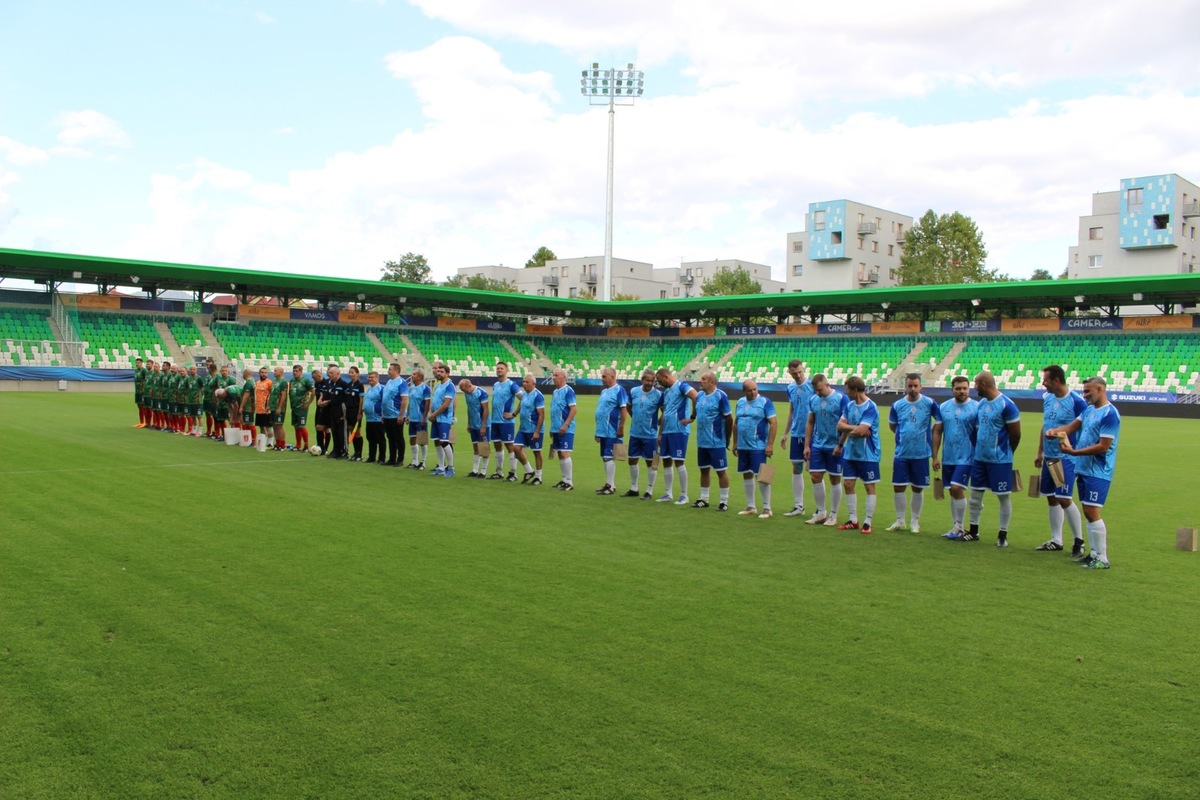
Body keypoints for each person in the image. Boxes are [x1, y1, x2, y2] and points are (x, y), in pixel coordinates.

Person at [1049, 376, 1120, 569]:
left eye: (1088, 391)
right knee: (1088, 511)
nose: (1085, 394)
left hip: (1099, 469)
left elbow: (1103, 446)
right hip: (1084, 468)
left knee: (1092, 510)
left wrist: (1074, 452)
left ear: (1100, 389)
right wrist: (1054, 431)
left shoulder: (1110, 414)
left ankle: (1103, 558)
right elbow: (1071, 428)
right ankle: (1094, 554)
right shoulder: (1089, 410)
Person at [961, 371, 1021, 546]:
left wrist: (1007, 452)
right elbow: (977, 430)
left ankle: (1003, 533)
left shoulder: (1007, 405)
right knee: (975, 496)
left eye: (975, 384)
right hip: (980, 459)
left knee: (1003, 496)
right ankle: (973, 531)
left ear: (983, 385)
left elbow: (1016, 433)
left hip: (1000, 460)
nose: (974, 387)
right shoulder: (981, 405)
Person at [1033, 365, 1089, 555]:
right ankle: (1056, 540)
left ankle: (1079, 541)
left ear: (1056, 380)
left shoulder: (1076, 402)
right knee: (1051, 497)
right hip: (1049, 457)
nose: (1043, 384)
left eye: (1046, 380)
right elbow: (1046, 424)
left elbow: (1083, 428)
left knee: (1064, 498)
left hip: (1065, 457)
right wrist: (1039, 451)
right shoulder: (1047, 398)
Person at [886, 373, 942, 533]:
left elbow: (938, 424)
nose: (912, 389)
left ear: (920, 386)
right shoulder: (897, 405)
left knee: (917, 488)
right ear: (905, 386)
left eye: (915, 386)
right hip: (901, 453)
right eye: (910, 386)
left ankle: (915, 522)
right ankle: (900, 520)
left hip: (922, 454)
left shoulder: (929, 403)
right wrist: (904, 436)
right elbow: (893, 425)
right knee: (898, 487)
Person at [931, 376, 979, 539]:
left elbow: (980, 433)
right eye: (958, 388)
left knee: (957, 488)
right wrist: (935, 456)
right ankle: (955, 526)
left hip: (967, 456)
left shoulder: (976, 407)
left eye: (965, 388)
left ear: (969, 389)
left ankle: (960, 527)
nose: (962, 391)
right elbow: (937, 431)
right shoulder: (944, 407)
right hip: (948, 457)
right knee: (952, 490)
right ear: (952, 389)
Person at [836, 376, 881, 534]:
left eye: (847, 389)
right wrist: (842, 442)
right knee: (848, 484)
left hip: (868, 454)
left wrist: (851, 428)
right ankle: (853, 519)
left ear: (855, 390)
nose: (846, 392)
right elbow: (841, 427)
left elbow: (861, 431)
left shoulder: (871, 407)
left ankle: (868, 521)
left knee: (869, 486)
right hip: (850, 452)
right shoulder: (849, 405)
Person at [804, 374, 848, 527]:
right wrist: (807, 445)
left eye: (820, 389)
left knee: (834, 479)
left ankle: (833, 515)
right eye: (816, 390)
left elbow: (846, 423)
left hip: (834, 445)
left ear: (827, 384)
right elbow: (810, 422)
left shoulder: (841, 399)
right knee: (815, 476)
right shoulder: (813, 400)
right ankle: (821, 512)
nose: (818, 393)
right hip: (817, 444)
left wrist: (840, 444)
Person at [732, 379, 777, 519]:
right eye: (750, 390)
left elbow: (774, 423)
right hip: (743, 445)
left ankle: (767, 508)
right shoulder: (740, 402)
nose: (753, 392)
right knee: (746, 474)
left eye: (755, 389)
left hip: (758, 446)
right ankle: (751, 506)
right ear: (744, 391)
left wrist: (770, 444)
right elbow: (736, 423)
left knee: (762, 476)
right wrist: (735, 443)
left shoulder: (765, 402)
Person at [655, 366, 698, 505]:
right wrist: (660, 433)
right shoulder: (666, 392)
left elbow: (695, 396)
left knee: (679, 461)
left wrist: (692, 417)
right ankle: (668, 493)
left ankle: (684, 495)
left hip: (679, 430)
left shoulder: (682, 386)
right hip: (667, 431)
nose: (659, 384)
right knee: (666, 461)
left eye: (660, 380)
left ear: (666, 376)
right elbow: (665, 413)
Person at [692, 370, 732, 510]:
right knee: (704, 470)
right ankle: (704, 499)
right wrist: (691, 417)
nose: (700, 381)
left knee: (721, 471)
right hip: (702, 441)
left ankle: (724, 501)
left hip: (716, 442)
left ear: (712, 382)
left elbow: (729, 418)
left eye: (703, 379)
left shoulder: (720, 396)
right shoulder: (700, 395)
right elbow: (697, 411)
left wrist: (727, 439)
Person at [782, 359, 814, 517]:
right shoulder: (790, 388)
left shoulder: (812, 385)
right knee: (796, 468)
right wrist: (785, 433)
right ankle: (799, 506)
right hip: (796, 434)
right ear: (789, 373)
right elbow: (791, 411)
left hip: (813, 435)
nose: (798, 375)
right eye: (794, 373)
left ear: (803, 369)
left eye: (800, 372)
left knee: (814, 471)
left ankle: (819, 509)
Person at [626, 369, 663, 498]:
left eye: (652, 381)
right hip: (635, 433)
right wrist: (635, 418)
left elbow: (664, 412)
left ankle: (649, 490)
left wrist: (658, 428)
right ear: (642, 380)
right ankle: (634, 488)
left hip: (650, 435)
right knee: (632, 460)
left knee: (651, 463)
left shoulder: (658, 394)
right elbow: (628, 407)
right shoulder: (633, 391)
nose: (650, 383)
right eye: (648, 380)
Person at [593, 366, 630, 495]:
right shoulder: (604, 392)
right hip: (602, 430)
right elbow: (601, 411)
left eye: (604, 376)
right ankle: (610, 484)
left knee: (609, 457)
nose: (602, 379)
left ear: (612, 377)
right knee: (605, 457)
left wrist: (621, 427)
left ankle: (610, 486)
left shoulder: (620, 390)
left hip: (612, 430)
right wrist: (597, 431)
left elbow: (623, 410)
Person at [487, 362, 523, 481]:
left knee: (510, 446)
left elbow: (524, 399)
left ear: (507, 370)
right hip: (495, 421)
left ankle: (513, 473)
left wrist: (514, 414)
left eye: (501, 368)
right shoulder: (496, 384)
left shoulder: (512, 385)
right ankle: (499, 471)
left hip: (506, 422)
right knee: (497, 445)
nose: (499, 370)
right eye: (497, 368)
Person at [549, 368, 578, 491]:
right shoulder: (555, 391)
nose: (553, 377)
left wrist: (565, 425)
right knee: (560, 453)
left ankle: (569, 482)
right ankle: (564, 479)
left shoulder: (568, 391)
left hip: (566, 428)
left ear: (564, 378)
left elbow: (574, 409)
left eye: (556, 375)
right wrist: (552, 427)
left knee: (565, 452)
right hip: (556, 428)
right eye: (553, 375)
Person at [514, 373, 545, 484]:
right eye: (523, 382)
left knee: (536, 452)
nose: (524, 384)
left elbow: (541, 414)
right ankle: (529, 470)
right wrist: (514, 414)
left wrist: (537, 431)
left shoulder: (538, 396)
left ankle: (538, 477)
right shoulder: (524, 395)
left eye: (527, 382)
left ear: (533, 383)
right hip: (523, 429)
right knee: (516, 448)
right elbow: (520, 404)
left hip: (534, 429)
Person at [428, 361, 456, 477]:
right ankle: (440, 467)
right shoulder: (438, 384)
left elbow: (446, 404)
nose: (438, 373)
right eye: (438, 371)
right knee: (437, 441)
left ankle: (450, 467)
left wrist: (434, 414)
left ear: (447, 373)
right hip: (435, 417)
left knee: (445, 442)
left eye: (441, 371)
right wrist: (431, 412)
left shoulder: (450, 385)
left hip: (444, 418)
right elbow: (433, 400)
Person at [458, 378, 490, 477]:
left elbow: (485, 410)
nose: (464, 392)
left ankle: (483, 471)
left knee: (484, 448)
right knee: (475, 446)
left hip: (482, 425)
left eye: (464, 390)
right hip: (473, 425)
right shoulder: (467, 393)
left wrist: (483, 426)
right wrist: (468, 423)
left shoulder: (481, 393)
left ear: (469, 386)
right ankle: (475, 470)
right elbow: (469, 408)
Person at [381, 363, 408, 466]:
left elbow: (404, 399)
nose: (388, 371)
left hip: (396, 414)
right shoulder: (389, 382)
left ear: (396, 371)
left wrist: (401, 415)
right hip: (387, 415)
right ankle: (392, 458)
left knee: (398, 437)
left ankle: (400, 459)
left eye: (390, 369)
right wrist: (383, 414)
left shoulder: (402, 382)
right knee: (390, 437)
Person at [321, 364, 350, 459]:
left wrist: (345, 413)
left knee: (342, 432)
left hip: (341, 410)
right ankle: (336, 449)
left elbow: (345, 399)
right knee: (335, 431)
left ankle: (344, 451)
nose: (329, 375)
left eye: (332, 373)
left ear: (338, 373)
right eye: (329, 373)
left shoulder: (343, 384)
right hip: (332, 410)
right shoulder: (332, 384)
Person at [406, 368, 431, 469]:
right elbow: (410, 402)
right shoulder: (411, 388)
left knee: (422, 441)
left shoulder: (425, 388)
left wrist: (424, 418)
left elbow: (427, 404)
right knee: (412, 439)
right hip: (412, 418)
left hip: (421, 418)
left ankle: (423, 462)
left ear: (420, 377)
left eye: (414, 374)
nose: (412, 376)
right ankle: (415, 461)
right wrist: (407, 415)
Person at [288, 364, 315, 453]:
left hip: (302, 407)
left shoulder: (305, 381)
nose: (294, 373)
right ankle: (298, 445)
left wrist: (308, 403)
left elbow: (313, 391)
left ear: (301, 371)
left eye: (296, 371)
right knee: (296, 426)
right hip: (294, 407)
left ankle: (306, 445)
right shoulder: (292, 381)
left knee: (301, 426)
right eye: (294, 371)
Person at [362, 370, 385, 463]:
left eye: (372, 377)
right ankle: (372, 457)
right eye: (369, 377)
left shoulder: (382, 388)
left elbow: (385, 402)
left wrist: (383, 415)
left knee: (380, 439)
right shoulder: (369, 389)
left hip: (378, 418)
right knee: (371, 438)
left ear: (377, 378)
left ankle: (381, 458)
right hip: (369, 419)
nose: (370, 379)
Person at [268, 365, 290, 450]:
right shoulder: (275, 382)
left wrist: (279, 407)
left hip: (279, 408)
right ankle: (277, 444)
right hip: (272, 407)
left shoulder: (283, 382)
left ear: (281, 372)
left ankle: (282, 445)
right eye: (274, 370)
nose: (274, 372)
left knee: (279, 425)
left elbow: (283, 395)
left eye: (276, 371)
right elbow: (272, 394)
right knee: (274, 425)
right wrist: (269, 406)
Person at [312, 368, 330, 454]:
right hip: (318, 408)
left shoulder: (326, 383)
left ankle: (325, 448)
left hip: (326, 408)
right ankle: (320, 446)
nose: (315, 380)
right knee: (317, 427)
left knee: (326, 428)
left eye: (315, 378)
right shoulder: (317, 384)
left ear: (320, 375)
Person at [133, 357, 148, 427]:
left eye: (138, 363)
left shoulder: (144, 371)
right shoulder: (136, 371)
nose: (137, 364)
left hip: (142, 392)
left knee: (143, 406)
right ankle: (141, 422)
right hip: (137, 391)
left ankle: (145, 422)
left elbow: (147, 380)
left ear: (142, 363)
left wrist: (144, 389)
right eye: (136, 363)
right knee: (139, 406)